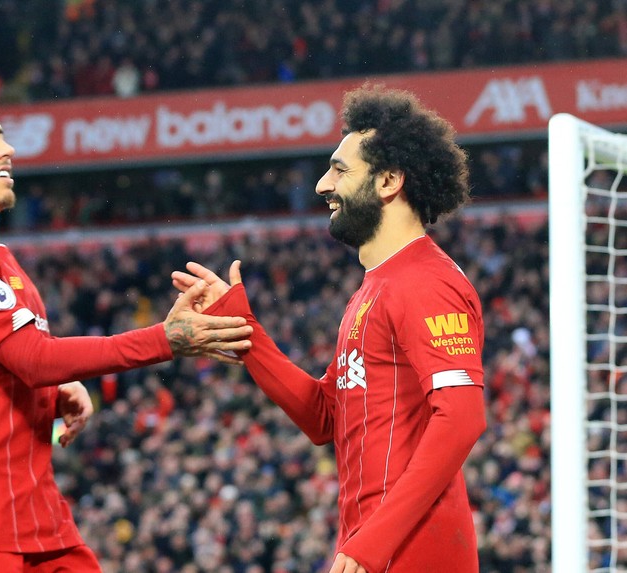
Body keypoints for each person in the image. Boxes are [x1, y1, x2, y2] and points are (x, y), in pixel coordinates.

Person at [0, 83, 252, 573]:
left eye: (2, 136)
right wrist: (163, 339)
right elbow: (32, 358)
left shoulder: (1, 262)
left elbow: (14, 358)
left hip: (37, 522)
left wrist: (56, 383)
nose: (7, 148)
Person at [172, 84, 487, 573]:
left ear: (388, 181)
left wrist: (373, 542)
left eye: (339, 170)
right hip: (372, 544)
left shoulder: (427, 282)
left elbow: (462, 418)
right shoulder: (372, 290)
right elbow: (325, 417)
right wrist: (243, 331)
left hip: (412, 550)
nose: (322, 185)